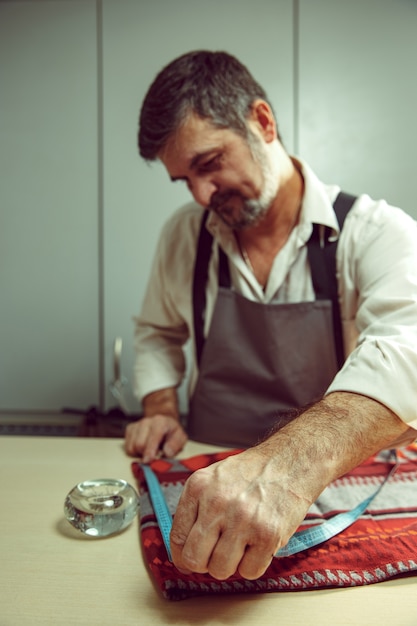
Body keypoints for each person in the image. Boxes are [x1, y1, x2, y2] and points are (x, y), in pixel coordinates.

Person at [125, 50, 417, 581]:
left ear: (262, 121)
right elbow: (156, 332)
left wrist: (282, 470)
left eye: (209, 164)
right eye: (183, 181)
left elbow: (408, 352)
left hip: (325, 484)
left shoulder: (376, 233)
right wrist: (161, 406)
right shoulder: (184, 237)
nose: (200, 195)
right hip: (203, 470)